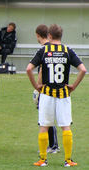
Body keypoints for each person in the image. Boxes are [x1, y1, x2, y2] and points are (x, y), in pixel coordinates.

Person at [26, 24, 86, 167]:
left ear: (50, 36)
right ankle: (68, 160)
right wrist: (73, 86)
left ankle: (42, 160)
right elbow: (83, 70)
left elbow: (29, 68)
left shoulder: (43, 50)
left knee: (44, 126)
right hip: (63, 95)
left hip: (46, 94)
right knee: (65, 126)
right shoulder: (67, 51)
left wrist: (36, 86)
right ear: (61, 36)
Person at [35, 24, 59, 154]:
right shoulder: (55, 48)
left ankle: (53, 145)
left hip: (46, 88)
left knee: (46, 117)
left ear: (38, 35)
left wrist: (37, 88)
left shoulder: (44, 50)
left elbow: (41, 71)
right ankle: (53, 145)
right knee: (49, 116)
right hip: (56, 85)